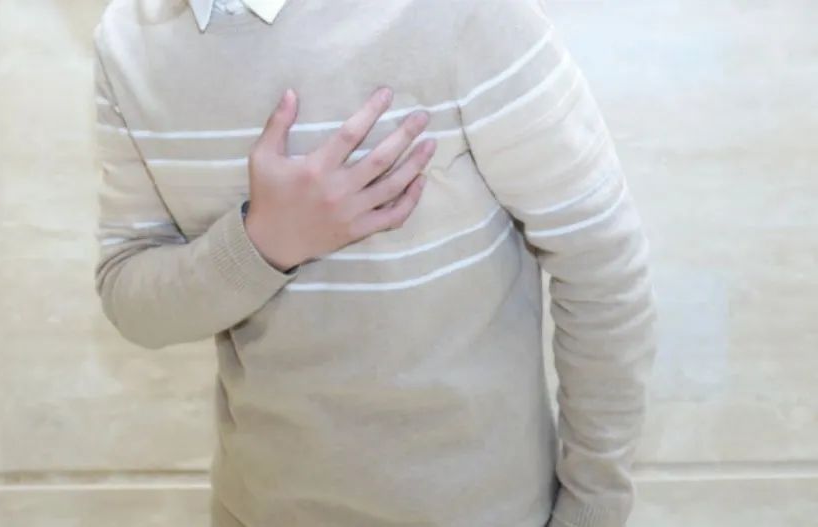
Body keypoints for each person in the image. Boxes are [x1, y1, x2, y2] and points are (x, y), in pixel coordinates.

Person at [91, 0, 658, 526]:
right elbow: (130, 295)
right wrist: (262, 243)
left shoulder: (461, 12)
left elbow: (600, 258)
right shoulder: (126, 40)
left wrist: (593, 509)